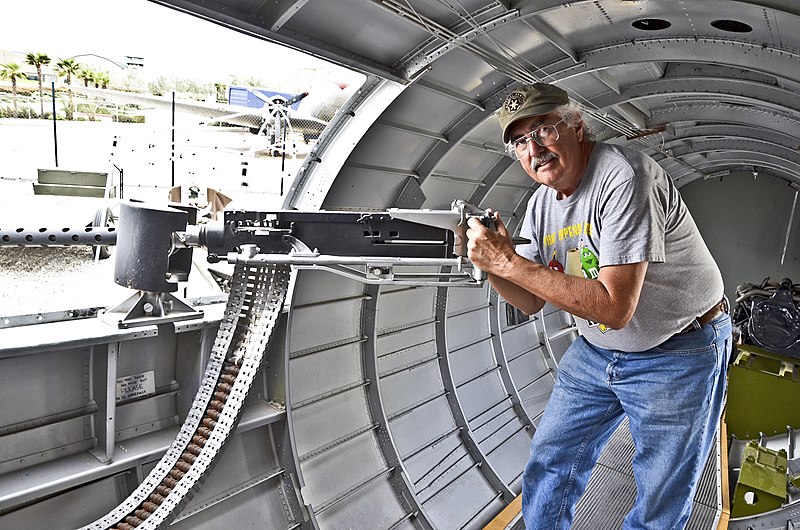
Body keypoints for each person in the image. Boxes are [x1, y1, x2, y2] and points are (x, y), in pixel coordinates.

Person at [465, 83, 732, 529]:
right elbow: (530, 300)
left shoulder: (624, 176)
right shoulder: (540, 205)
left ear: (577, 126)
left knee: (661, 498)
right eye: (520, 142)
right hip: (597, 351)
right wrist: (489, 264)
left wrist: (508, 261)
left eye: (544, 130)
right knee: (550, 461)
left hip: (677, 351)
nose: (535, 149)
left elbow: (614, 307)